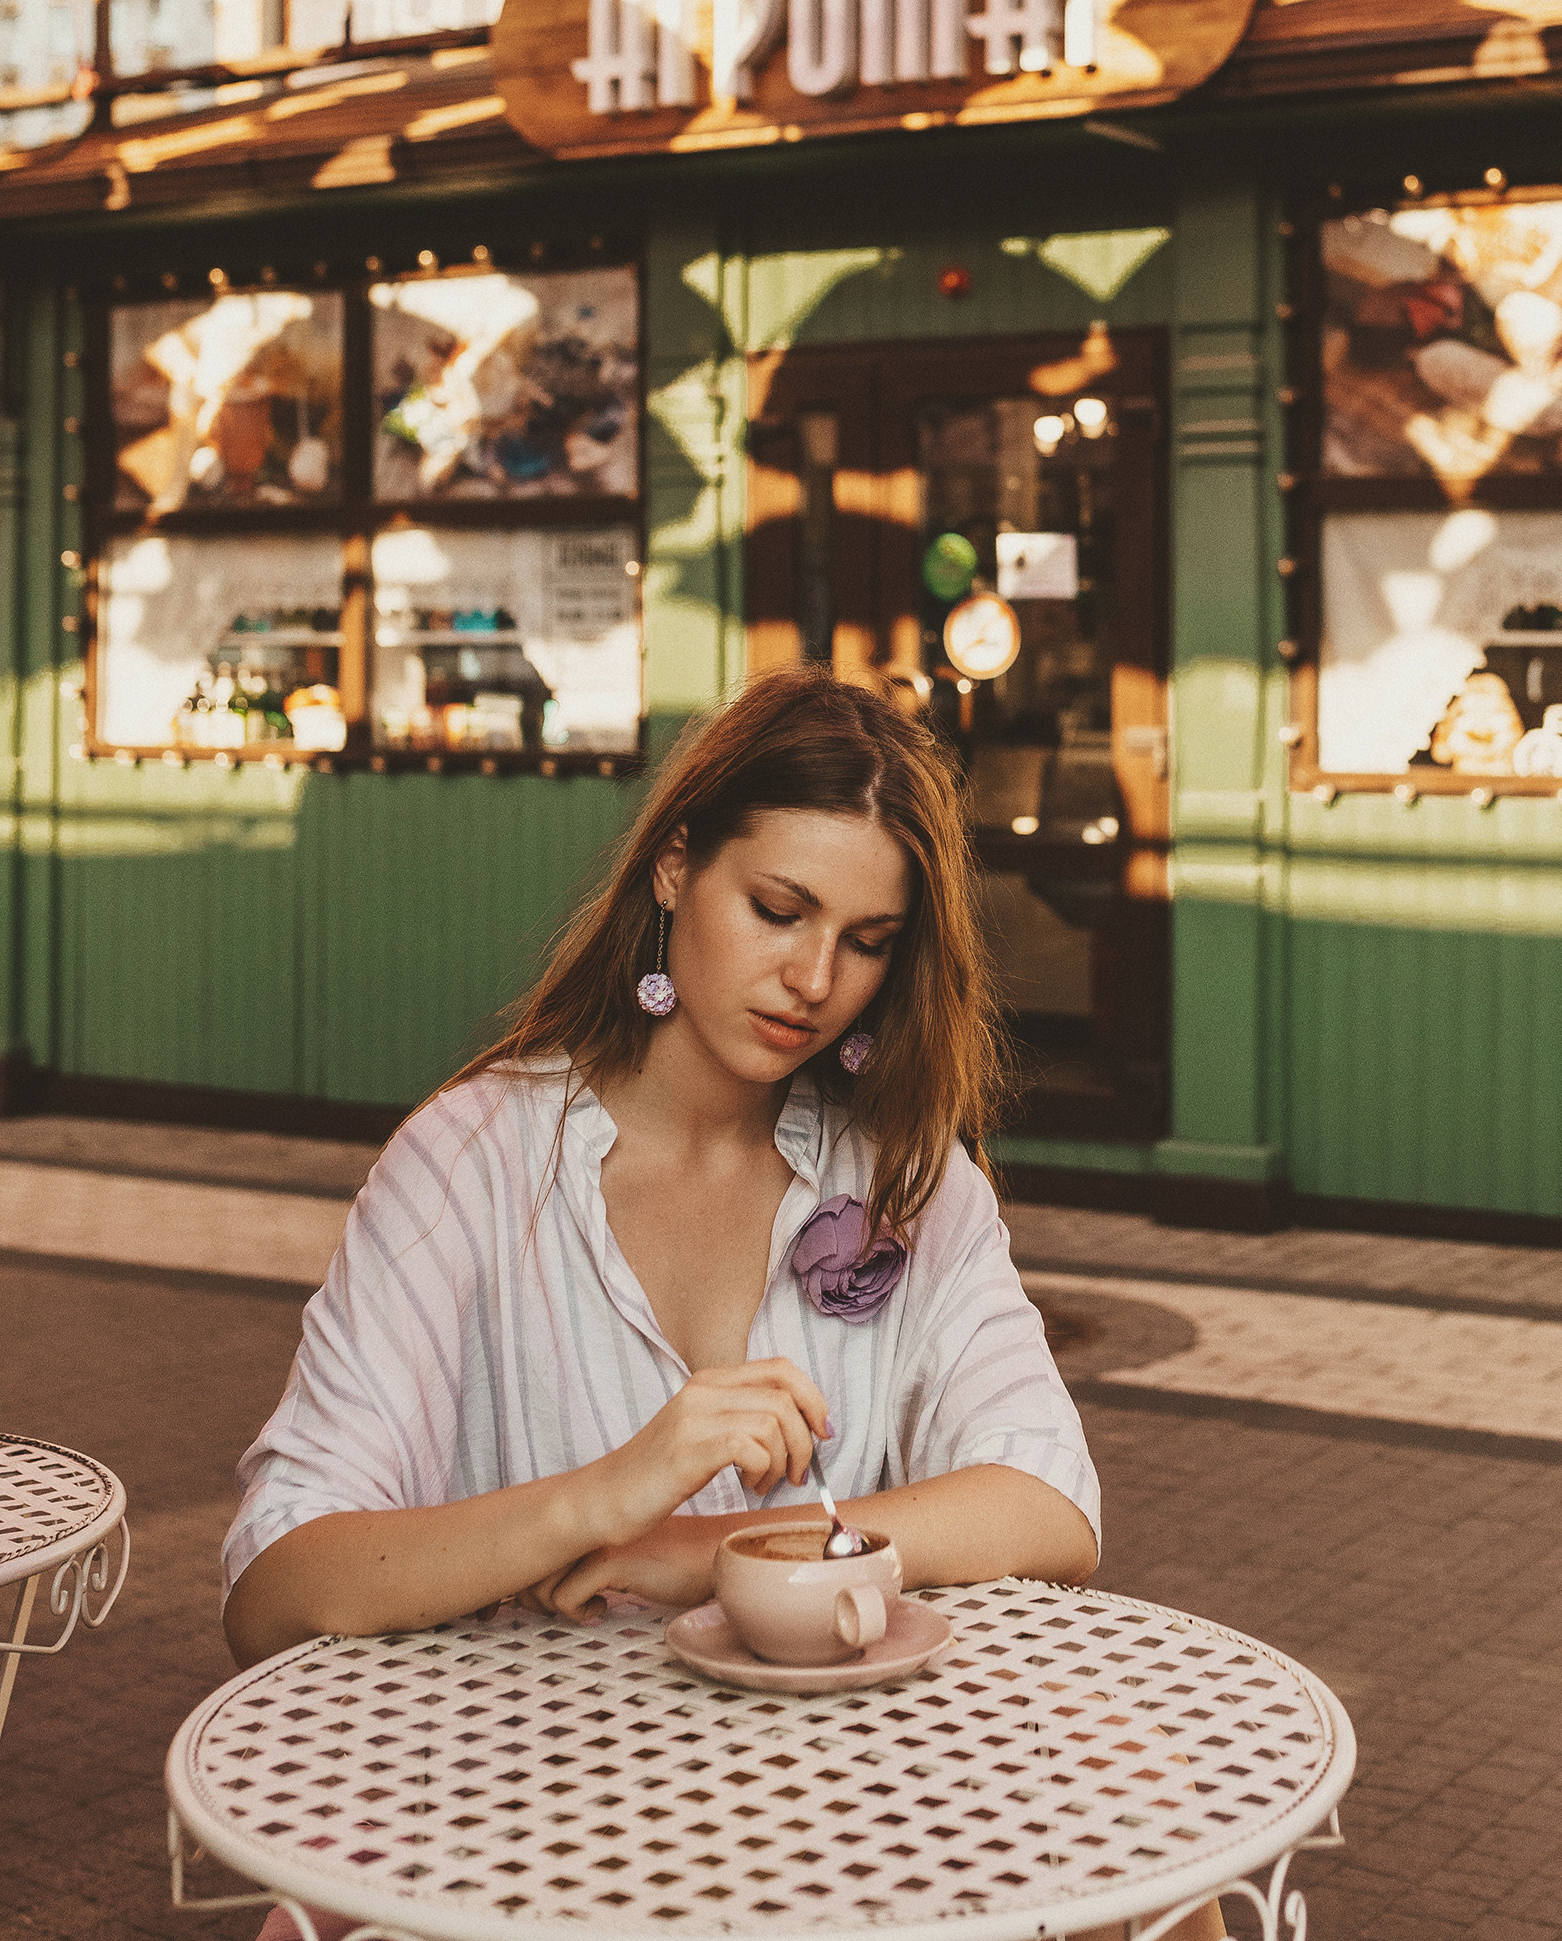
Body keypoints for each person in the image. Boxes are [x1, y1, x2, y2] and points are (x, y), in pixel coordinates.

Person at [224, 666, 1100, 1678]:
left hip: (835, 1807)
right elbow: (275, 1594)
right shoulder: (473, 1160)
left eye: (866, 943)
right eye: (778, 911)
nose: (816, 982)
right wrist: (605, 1495)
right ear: (675, 867)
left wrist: (698, 1550)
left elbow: (1050, 1507)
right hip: (512, 1795)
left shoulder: (910, 1176)